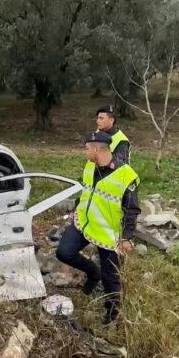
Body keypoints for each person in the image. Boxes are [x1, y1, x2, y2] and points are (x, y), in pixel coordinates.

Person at [57, 131, 141, 325]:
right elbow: (87, 191)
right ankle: (91, 272)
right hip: (85, 223)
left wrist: (127, 238)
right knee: (64, 252)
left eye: (86, 149)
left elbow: (132, 209)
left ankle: (111, 315)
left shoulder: (125, 176)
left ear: (96, 149)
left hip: (108, 235)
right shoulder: (90, 166)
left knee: (110, 277)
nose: (84, 152)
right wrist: (77, 209)